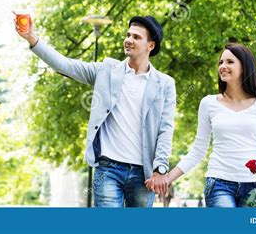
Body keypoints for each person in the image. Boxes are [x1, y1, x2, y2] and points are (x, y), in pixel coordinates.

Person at [14, 14, 176, 207]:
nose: (128, 40)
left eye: (136, 37)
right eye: (128, 35)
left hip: (144, 174)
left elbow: (165, 129)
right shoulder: (106, 70)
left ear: (151, 45)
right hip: (108, 170)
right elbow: (66, 65)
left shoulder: (165, 84)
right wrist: (33, 38)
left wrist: (161, 168)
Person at [145, 43, 256, 207]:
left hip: (253, 188)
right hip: (219, 184)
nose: (223, 66)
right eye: (221, 62)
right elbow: (198, 150)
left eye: (230, 62)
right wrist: (167, 178)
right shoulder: (209, 103)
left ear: (245, 66)